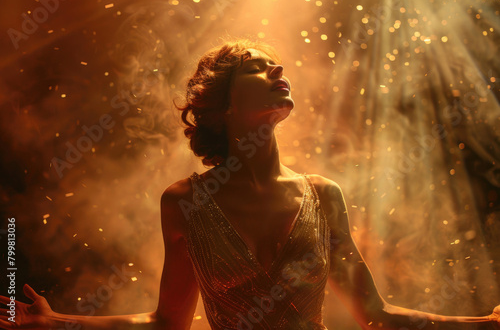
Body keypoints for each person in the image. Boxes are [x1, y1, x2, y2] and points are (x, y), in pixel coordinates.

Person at [1, 39, 499, 330]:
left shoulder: (323, 195)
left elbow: (376, 313)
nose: (278, 69)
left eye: (274, 63)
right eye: (256, 67)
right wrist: (56, 321)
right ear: (223, 105)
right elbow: (166, 325)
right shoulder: (183, 202)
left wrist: (484, 325)